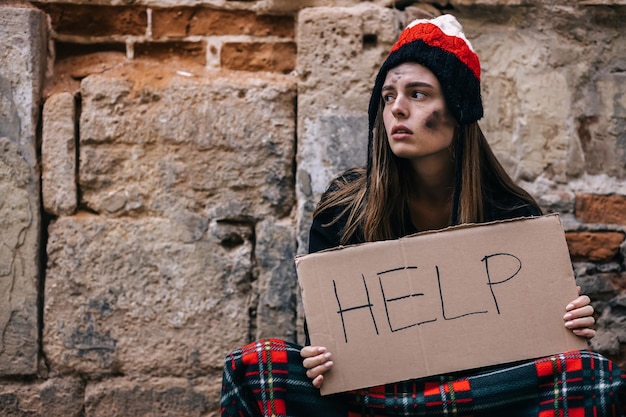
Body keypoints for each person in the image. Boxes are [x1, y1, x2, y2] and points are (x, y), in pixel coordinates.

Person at [221, 14, 625, 417]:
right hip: (374, 399)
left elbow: (536, 352)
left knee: (590, 373)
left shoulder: (512, 213)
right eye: (388, 96)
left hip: (476, 398)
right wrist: (318, 359)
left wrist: (569, 323)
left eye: (418, 94)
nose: (397, 109)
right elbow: (327, 345)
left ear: (458, 108)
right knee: (259, 364)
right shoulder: (344, 208)